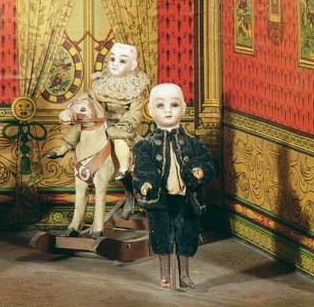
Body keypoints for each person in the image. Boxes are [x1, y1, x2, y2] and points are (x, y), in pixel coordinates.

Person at [131, 84, 216, 290]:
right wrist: (146, 183)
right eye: (161, 106)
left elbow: (206, 163)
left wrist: (198, 171)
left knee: (186, 235)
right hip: (160, 200)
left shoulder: (194, 145)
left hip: (186, 200)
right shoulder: (145, 147)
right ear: (150, 110)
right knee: (162, 236)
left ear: (184, 108)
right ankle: (165, 275)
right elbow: (142, 169)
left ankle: (184, 275)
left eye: (174, 105)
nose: (168, 111)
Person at [63, 42, 149, 180]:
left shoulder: (134, 88)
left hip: (121, 124)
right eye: (112, 59)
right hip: (101, 121)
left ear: (132, 65)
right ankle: (64, 147)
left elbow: (135, 113)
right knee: (80, 126)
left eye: (122, 61)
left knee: (119, 139)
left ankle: (123, 167)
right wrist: (76, 104)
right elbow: (89, 97)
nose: (115, 64)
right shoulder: (102, 83)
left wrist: (125, 124)